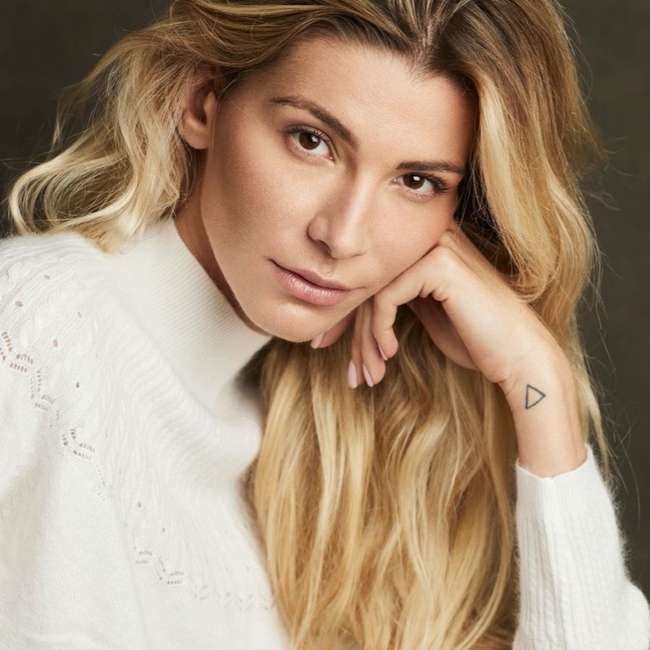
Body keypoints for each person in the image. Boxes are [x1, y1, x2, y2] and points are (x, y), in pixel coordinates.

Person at [0, 0, 648, 648]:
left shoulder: (293, 454)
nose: (342, 235)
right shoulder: (31, 334)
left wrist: (541, 387)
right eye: (312, 141)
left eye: (416, 180)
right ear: (200, 101)